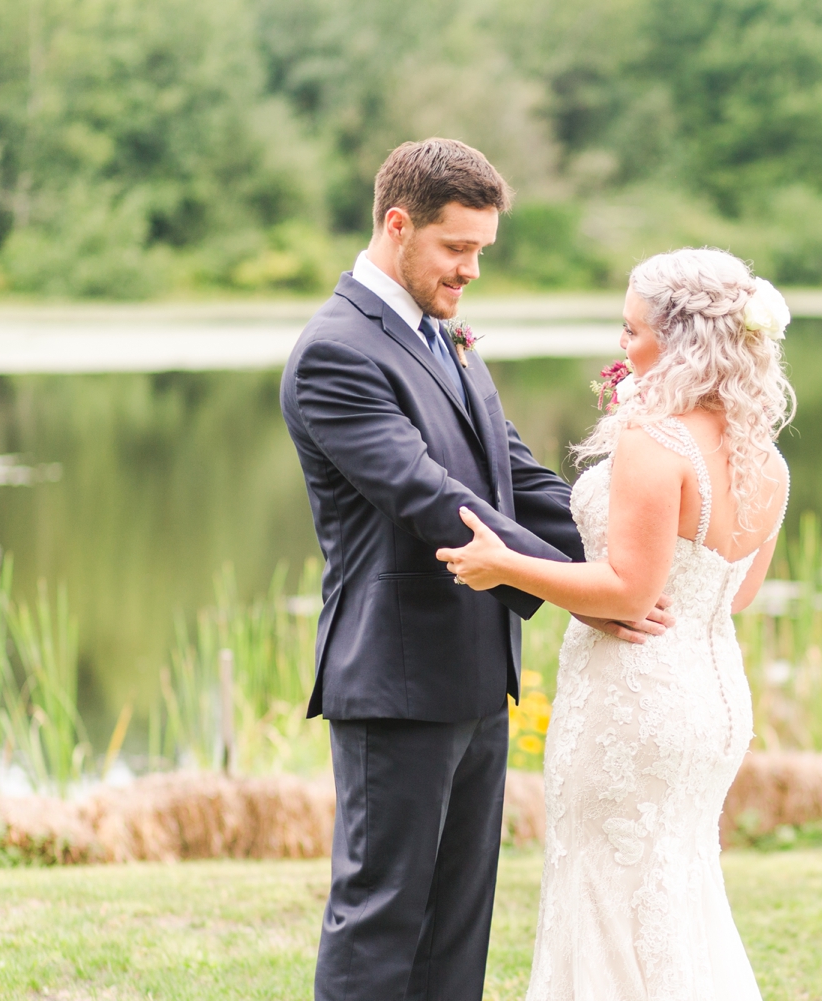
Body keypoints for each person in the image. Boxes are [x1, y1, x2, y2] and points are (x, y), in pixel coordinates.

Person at [280, 137, 672, 1001]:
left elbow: (515, 473)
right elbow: (434, 502)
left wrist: (613, 563)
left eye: (481, 252)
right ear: (397, 223)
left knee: (458, 926)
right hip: (395, 675)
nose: (471, 272)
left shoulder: (443, 333)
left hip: (474, 671)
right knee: (382, 914)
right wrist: (582, 596)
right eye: (457, 248)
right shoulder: (337, 352)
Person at [437, 247, 795, 1000]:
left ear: (680, 341)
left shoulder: (655, 442)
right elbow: (734, 594)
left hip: (631, 701)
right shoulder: (762, 458)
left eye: (631, 330)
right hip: (712, 700)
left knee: (604, 887)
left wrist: (503, 564)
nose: (622, 347)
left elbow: (629, 593)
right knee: (679, 888)